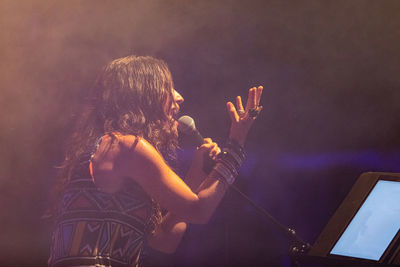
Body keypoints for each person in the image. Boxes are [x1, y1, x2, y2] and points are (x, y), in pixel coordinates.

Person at [48, 55, 263, 267]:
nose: (179, 97)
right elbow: (199, 211)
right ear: (144, 96)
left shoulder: (112, 147)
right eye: (167, 88)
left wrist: (197, 170)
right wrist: (235, 144)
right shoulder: (128, 147)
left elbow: (163, 239)